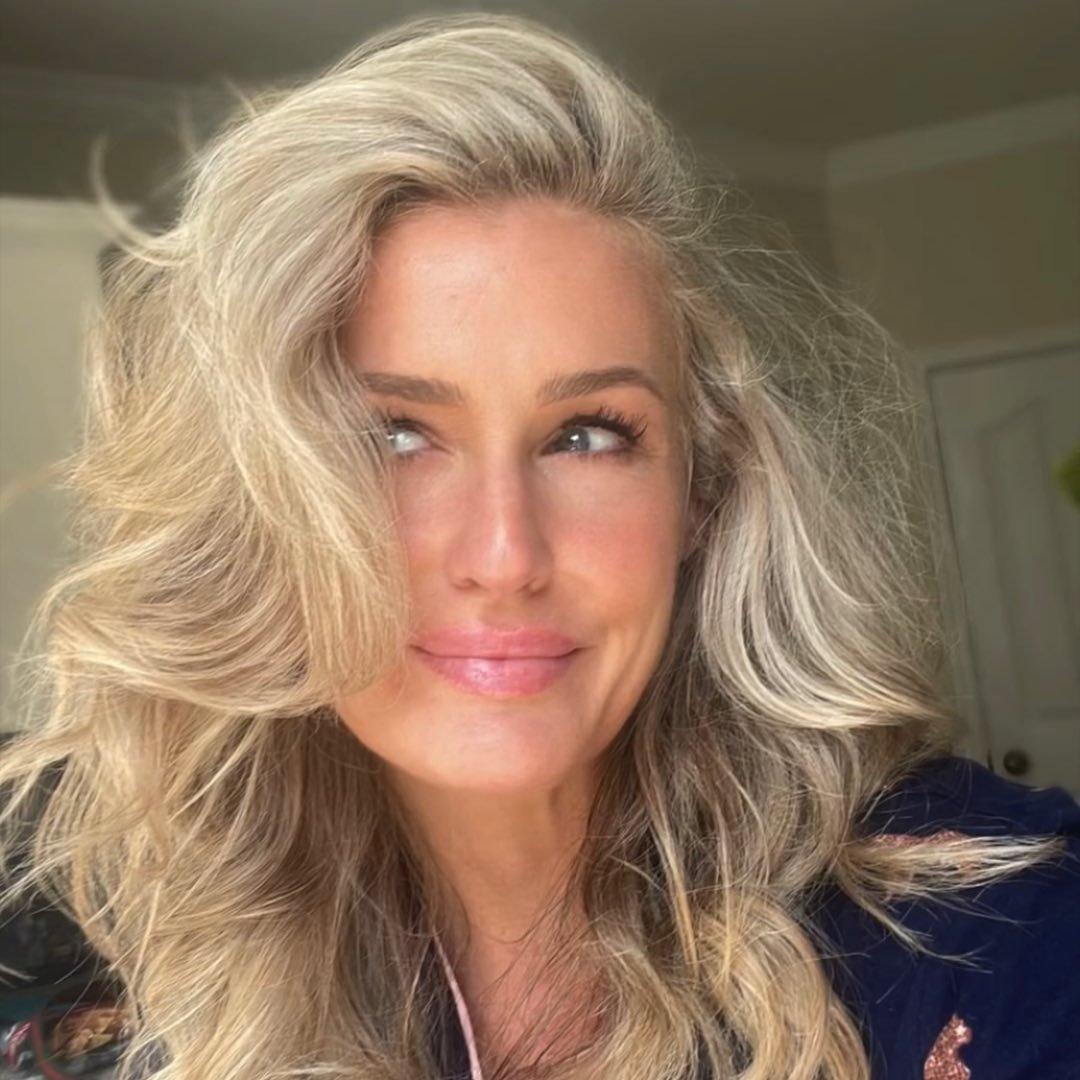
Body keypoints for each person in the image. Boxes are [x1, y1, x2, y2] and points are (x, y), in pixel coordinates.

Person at [0, 11, 1077, 1080]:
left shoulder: (999, 935)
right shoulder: (173, 938)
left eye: (588, 435)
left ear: (702, 491)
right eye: (393, 436)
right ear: (255, 499)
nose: (505, 554)